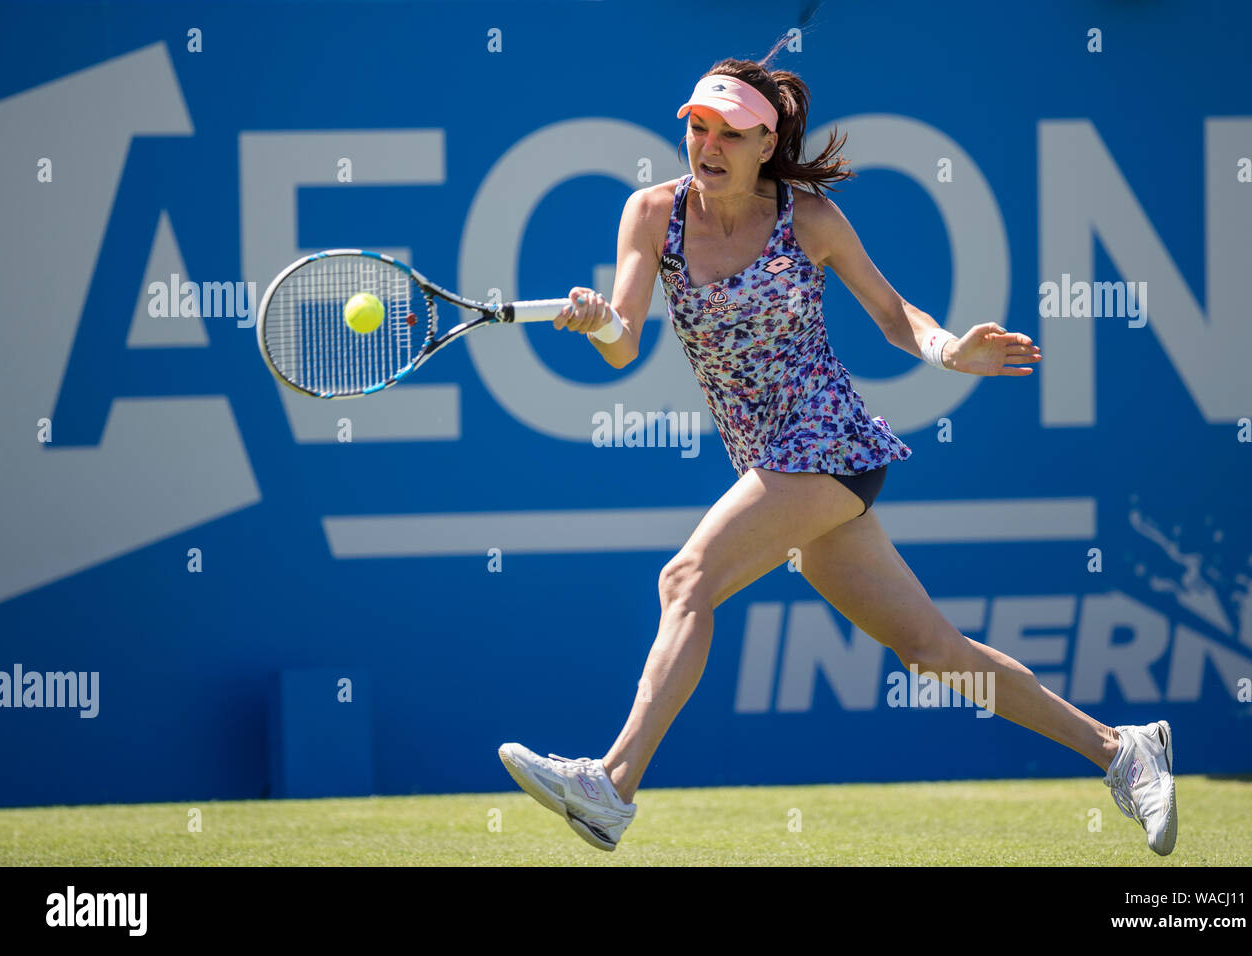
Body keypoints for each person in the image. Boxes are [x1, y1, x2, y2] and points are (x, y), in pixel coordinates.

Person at [498, 48, 1177, 857]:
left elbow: (894, 315)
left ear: (765, 145)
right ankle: (1121, 750)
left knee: (685, 578)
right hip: (769, 462)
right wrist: (595, 319)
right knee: (930, 650)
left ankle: (611, 784)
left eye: (730, 133)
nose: (708, 145)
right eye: (698, 127)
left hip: (830, 442)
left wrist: (950, 349)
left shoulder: (809, 218)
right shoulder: (652, 214)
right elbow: (622, 342)